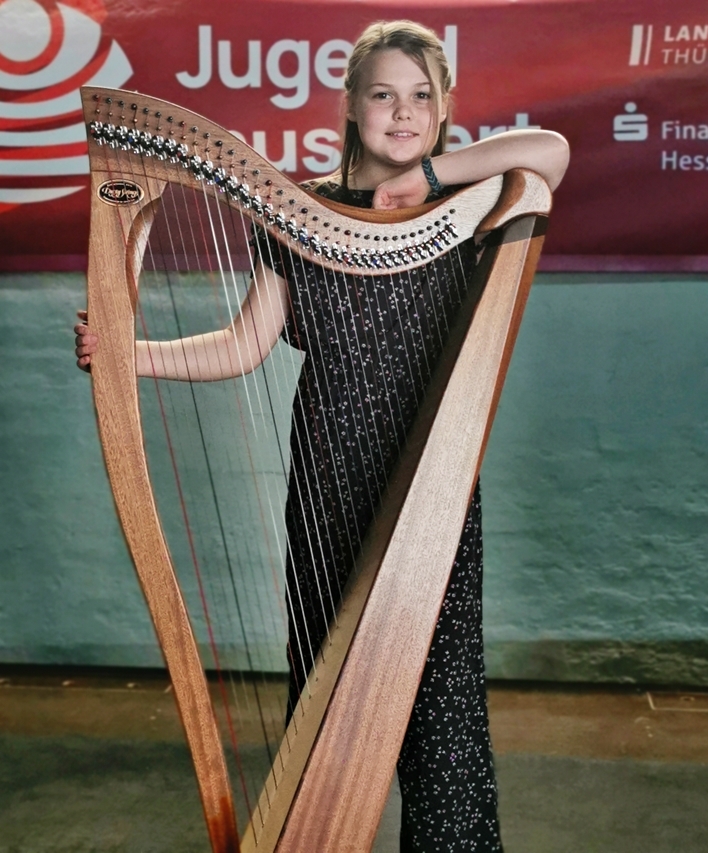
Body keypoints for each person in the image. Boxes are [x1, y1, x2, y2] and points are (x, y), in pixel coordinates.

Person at [76, 20, 568, 852]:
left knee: (439, 709)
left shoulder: (462, 209)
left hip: (430, 490)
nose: (402, 113)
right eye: (383, 94)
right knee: (328, 692)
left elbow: (550, 153)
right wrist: (129, 353)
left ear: (443, 109)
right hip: (328, 479)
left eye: (421, 98)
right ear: (350, 104)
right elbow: (243, 344)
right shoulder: (300, 215)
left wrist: (427, 175)